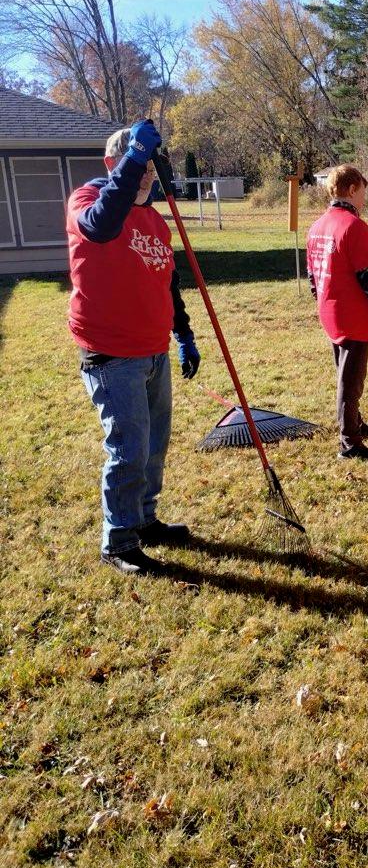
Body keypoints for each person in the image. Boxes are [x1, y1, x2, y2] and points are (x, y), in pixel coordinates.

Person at [67, 119, 200, 575]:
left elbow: (168, 281)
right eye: (135, 166)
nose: (144, 175)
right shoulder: (87, 202)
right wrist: (137, 153)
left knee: (153, 446)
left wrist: (183, 333)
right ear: (114, 164)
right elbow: (100, 228)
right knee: (127, 450)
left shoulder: (154, 221)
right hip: (111, 354)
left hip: (153, 349)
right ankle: (119, 541)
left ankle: (144, 518)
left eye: (149, 169)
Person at [306, 165, 368, 460]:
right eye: (362, 191)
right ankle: (350, 442)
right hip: (352, 315)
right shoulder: (354, 227)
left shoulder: (318, 226)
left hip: (330, 310)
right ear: (351, 190)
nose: (364, 198)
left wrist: (322, 300)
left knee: (344, 372)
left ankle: (355, 422)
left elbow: (312, 276)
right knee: (351, 380)